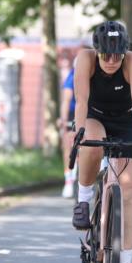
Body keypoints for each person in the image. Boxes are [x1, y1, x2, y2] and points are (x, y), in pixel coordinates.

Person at [71, 20, 132, 263]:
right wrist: (81, 129)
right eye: (105, 55)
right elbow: (82, 100)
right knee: (92, 144)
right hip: (94, 117)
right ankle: (84, 201)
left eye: (117, 55)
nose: (111, 61)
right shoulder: (85, 60)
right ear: (96, 51)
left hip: (126, 121)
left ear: (124, 52)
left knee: (129, 187)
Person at [59, 62, 77, 197]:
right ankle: (68, 181)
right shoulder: (72, 76)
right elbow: (66, 99)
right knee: (68, 145)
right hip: (73, 112)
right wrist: (64, 120)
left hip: (91, 112)